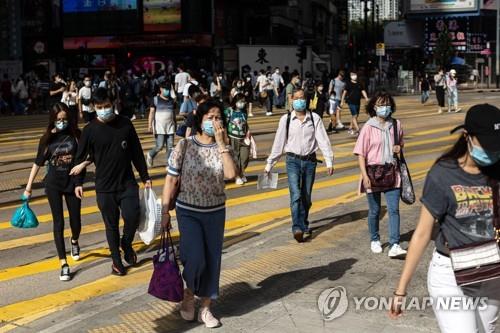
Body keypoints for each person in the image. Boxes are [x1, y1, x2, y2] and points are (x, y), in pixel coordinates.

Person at [390, 104, 500, 333]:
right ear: (467, 137)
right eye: (487, 145)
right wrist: (401, 289)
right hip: (451, 274)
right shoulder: (443, 174)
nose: (493, 152)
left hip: (492, 272)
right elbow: (422, 233)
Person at [161, 99, 238, 328]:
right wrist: (165, 211)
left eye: (218, 117)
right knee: (195, 258)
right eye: (209, 118)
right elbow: (171, 180)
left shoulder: (224, 146)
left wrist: (223, 144)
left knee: (213, 260)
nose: (214, 122)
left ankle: (205, 307)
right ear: (200, 120)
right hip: (188, 211)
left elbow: (231, 174)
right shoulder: (184, 145)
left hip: (215, 211)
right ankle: (189, 293)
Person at [72, 87, 152, 276]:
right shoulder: (90, 130)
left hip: (127, 184)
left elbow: (137, 153)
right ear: (94, 107)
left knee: (132, 217)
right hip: (104, 187)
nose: (104, 109)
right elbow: (80, 159)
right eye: (100, 107)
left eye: (107, 105)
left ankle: (126, 242)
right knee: (111, 225)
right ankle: (116, 261)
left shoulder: (125, 124)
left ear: (113, 103)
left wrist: (145, 177)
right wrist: (78, 182)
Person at [24, 103, 86, 281]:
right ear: (53, 120)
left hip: (73, 184)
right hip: (53, 184)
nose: (62, 122)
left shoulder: (76, 135)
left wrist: (80, 178)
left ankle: (74, 240)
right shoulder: (47, 139)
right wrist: (28, 188)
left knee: (76, 222)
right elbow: (37, 162)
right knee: (58, 223)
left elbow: (85, 157)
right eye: (58, 119)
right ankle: (63, 263)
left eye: (65, 119)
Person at [265, 89, 334, 242]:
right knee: (295, 195)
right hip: (292, 161)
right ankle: (297, 227)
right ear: (291, 100)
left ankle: (303, 222)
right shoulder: (286, 119)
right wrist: (270, 163)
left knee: (306, 197)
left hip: (310, 162)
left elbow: (323, 140)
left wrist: (329, 160)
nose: (299, 101)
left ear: (307, 100)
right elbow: (279, 142)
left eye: (302, 98)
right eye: (296, 98)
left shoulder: (314, 118)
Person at [353, 90, 407, 258]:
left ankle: (394, 244)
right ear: (374, 107)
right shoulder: (368, 127)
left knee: (393, 210)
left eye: (387, 104)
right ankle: (375, 239)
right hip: (372, 173)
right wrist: (364, 176)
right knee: (375, 210)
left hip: (392, 172)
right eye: (381, 104)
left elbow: (401, 144)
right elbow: (361, 153)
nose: (385, 107)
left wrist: (399, 148)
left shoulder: (397, 125)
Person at [146, 79, 176, 168]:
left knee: (170, 147)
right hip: (159, 127)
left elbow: (173, 113)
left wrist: (176, 123)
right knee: (159, 146)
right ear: (161, 89)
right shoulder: (155, 100)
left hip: (170, 126)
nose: (167, 91)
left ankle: (169, 163)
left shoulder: (172, 100)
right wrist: (149, 125)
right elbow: (151, 113)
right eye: (165, 89)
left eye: (168, 89)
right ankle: (150, 155)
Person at [225, 93, 251, 185]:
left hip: (244, 138)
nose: (242, 103)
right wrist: (226, 137)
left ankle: (241, 172)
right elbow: (225, 125)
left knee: (245, 157)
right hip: (233, 138)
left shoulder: (244, 113)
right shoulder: (229, 111)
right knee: (235, 157)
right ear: (235, 101)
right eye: (240, 101)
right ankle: (237, 176)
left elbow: (245, 124)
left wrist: (248, 132)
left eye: (244, 101)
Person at [341, 72, 368, 136]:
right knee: (355, 115)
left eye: (355, 75)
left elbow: (363, 91)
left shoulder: (359, 83)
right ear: (350, 76)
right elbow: (344, 93)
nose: (354, 76)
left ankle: (350, 128)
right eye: (352, 75)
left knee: (355, 116)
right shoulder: (348, 84)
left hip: (358, 102)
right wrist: (342, 101)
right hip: (350, 102)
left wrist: (366, 97)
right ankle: (358, 130)